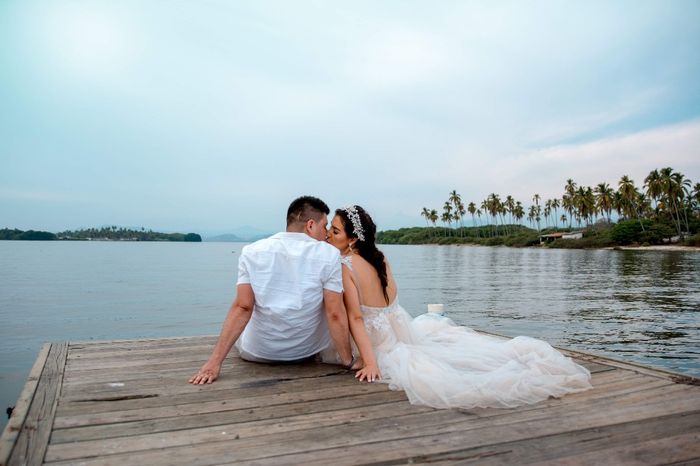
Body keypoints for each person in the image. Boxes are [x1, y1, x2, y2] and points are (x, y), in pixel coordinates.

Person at [327, 205, 593, 409]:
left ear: (352, 239)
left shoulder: (346, 265)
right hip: (398, 332)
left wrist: (370, 361)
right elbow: (389, 305)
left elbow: (357, 319)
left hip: (378, 342)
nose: (329, 234)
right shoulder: (381, 258)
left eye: (335, 230)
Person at [189, 196, 355, 385]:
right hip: (305, 352)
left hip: (257, 353)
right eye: (324, 226)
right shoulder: (329, 254)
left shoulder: (251, 251)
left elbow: (243, 307)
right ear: (310, 225)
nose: (326, 233)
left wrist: (214, 363)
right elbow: (334, 313)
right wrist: (347, 361)